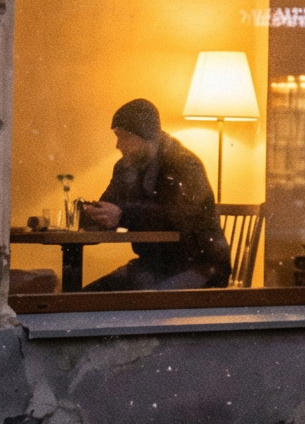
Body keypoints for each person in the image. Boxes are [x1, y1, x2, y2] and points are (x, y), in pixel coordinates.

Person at [78, 98, 233, 291]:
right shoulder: (125, 166)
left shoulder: (184, 164)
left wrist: (122, 215)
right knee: (88, 298)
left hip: (200, 267)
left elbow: (176, 216)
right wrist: (95, 213)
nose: (118, 145)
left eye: (124, 137)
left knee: (141, 304)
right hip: (154, 265)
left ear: (146, 136)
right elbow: (111, 204)